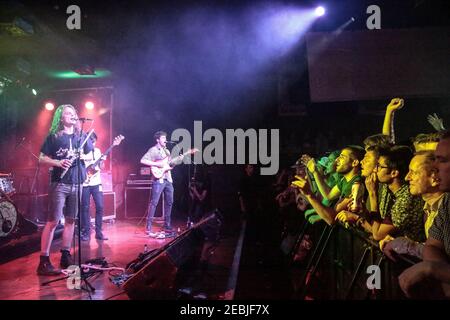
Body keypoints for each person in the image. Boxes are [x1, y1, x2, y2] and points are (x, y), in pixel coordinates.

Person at [36, 104, 93, 276]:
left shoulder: (80, 135)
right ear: (61, 117)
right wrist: (58, 163)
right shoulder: (54, 137)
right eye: (68, 114)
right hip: (59, 183)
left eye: (74, 113)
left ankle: (65, 255)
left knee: (71, 220)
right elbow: (41, 158)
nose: (72, 116)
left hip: (77, 182)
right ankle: (44, 261)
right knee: (53, 221)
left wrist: (83, 153)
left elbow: (90, 153)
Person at [399, 131, 450, 298]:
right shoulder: (448, 202)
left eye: (442, 160)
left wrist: (432, 269)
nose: (435, 167)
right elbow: (432, 246)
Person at [140, 131, 177, 237]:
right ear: (157, 140)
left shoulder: (167, 151)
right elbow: (143, 160)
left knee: (170, 202)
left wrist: (174, 162)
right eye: (163, 138)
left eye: (166, 137)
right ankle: (148, 227)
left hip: (168, 179)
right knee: (154, 202)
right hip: (159, 179)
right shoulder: (153, 150)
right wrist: (157, 164)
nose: (165, 139)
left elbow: (169, 165)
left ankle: (167, 225)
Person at [80, 132, 108, 241]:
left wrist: (102, 161)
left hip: (96, 183)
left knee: (100, 207)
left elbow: (101, 167)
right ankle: (86, 232)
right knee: (85, 208)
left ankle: (99, 232)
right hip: (85, 183)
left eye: (94, 141)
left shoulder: (98, 151)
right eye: (91, 141)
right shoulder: (81, 152)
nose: (93, 143)